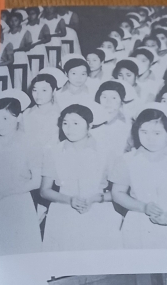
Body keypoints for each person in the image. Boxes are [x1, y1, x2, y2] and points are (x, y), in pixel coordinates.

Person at [110, 108, 167, 248]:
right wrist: (143, 207)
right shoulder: (127, 160)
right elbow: (117, 193)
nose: (150, 138)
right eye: (144, 132)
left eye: (157, 133)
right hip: (139, 223)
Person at [40, 104, 120, 251]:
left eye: (76, 123)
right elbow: (45, 191)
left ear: (89, 125)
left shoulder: (106, 152)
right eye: (65, 123)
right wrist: (70, 200)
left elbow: (119, 192)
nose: (69, 128)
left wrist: (95, 198)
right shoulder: (53, 152)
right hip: (63, 213)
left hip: (98, 213)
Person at [0, 92, 42, 254]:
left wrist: (5, 193)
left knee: (19, 249)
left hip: (18, 202)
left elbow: (36, 181)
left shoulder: (30, 142)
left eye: (5, 119)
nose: (0, 124)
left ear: (19, 117)